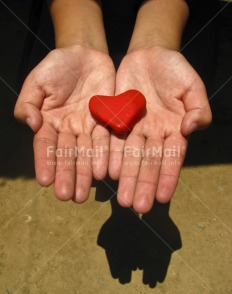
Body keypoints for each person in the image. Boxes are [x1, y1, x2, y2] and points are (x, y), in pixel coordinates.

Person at [14, 0, 212, 213]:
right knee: (88, 153)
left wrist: (157, 40)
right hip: (68, 15)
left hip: (172, 19)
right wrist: (78, 40)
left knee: (148, 146)